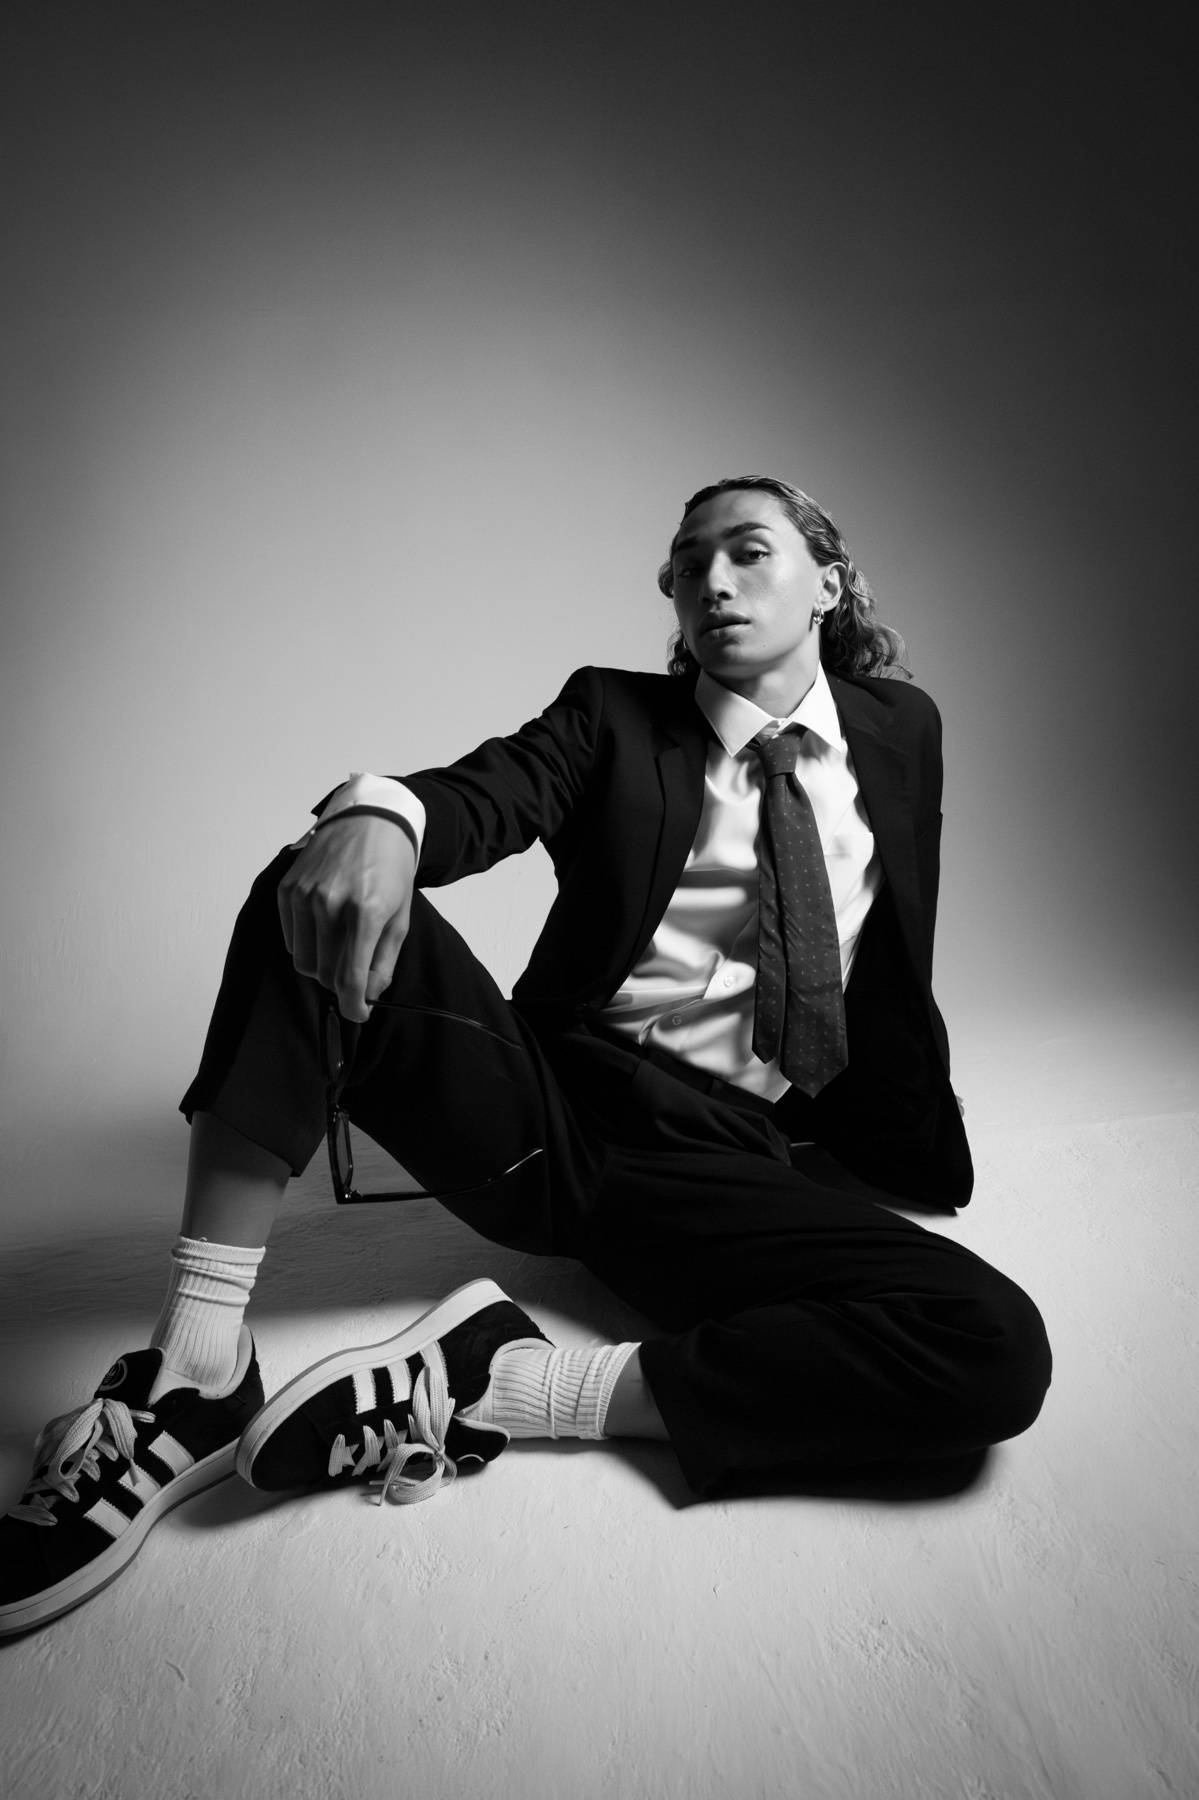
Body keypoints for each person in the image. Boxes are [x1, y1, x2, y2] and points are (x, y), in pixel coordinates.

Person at [0, 476, 1052, 1636]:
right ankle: (196, 1368)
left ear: (828, 583)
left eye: (747, 552)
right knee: (313, 885)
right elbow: (483, 796)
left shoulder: (901, 731)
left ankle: (501, 1379)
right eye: (687, 561)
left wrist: (884, 1125)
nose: (710, 581)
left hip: (716, 1168)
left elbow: (890, 947)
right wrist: (381, 817)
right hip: (547, 1111)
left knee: (993, 1350)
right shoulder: (614, 716)